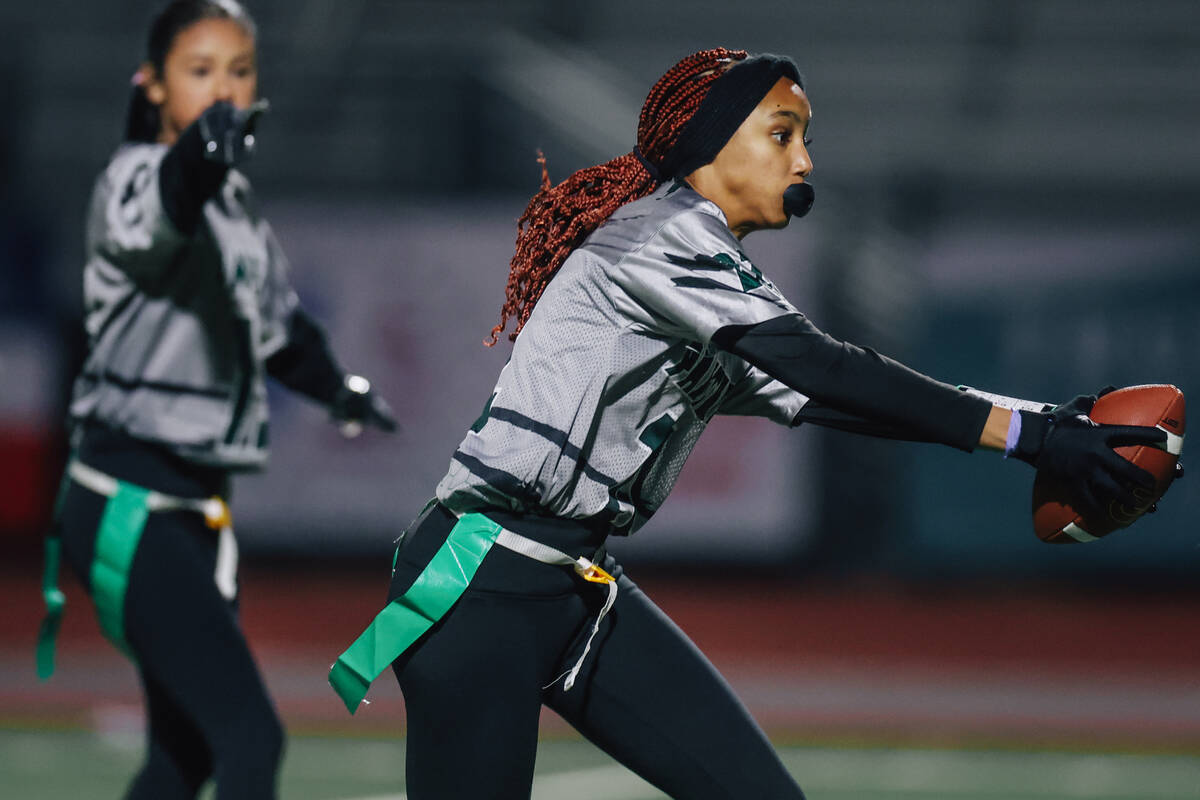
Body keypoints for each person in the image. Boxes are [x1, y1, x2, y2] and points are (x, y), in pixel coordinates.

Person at [330, 48, 1168, 799]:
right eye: (781, 132)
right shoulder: (659, 238)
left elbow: (836, 396)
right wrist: (1033, 440)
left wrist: (1047, 423)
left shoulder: (711, 276)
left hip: (573, 584)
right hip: (483, 583)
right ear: (711, 141)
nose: (804, 158)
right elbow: (825, 366)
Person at [36, 2, 396, 798]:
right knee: (251, 741)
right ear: (153, 86)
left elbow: (281, 331)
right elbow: (168, 201)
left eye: (238, 71)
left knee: (185, 755)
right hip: (129, 501)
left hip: (192, 510)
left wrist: (342, 391)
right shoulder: (134, 175)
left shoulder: (235, 207)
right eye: (199, 71)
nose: (223, 89)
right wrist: (199, 154)